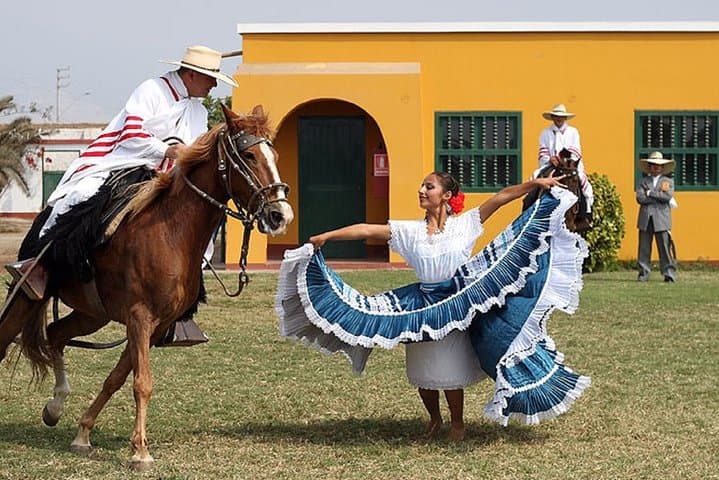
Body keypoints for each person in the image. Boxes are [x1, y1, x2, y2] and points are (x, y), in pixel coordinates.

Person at [277, 171, 590, 440]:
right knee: (423, 372)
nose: (421, 191)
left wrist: (535, 183)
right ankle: (434, 418)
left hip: (456, 302)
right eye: (422, 187)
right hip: (420, 306)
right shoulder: (409, 232)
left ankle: (456, 422)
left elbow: (502, 196)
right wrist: (327, 236)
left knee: (448, 368)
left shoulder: (466, 225)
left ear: (446, 195)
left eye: (429, 187)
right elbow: (366, 228)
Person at [6, 45, 236, 343]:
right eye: (211, 78)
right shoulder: (152, 90)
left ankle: (179, 307)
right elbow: (131, 133)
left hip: (165, 178)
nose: (214, 84)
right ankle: (39, 266)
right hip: (124, 162)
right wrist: (167, 150)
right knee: (83, 199)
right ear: (192, 74)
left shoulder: (199, 111)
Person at [536, 103, 594, 220]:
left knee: (584, 184)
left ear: (565, 118)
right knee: (535, 180)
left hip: (570, 165)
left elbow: (575, 150)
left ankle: (586, 214)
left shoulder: (573, 132)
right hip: (551, 165)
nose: (559, 119)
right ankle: (531, 208)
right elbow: (543, 151)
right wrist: (550, 159)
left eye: (561, 116)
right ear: (552, 117)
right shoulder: (545, 133)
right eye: (556, 116)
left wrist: (564, 159)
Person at [636, 151, 677, 282]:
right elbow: (640, 198)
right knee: (644, 248)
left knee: (665, 247)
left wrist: (650, 193)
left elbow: (667, 197)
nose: (656, 167)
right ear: (649, 167)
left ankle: (669, 274)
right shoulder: (643, 181)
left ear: (662, 168)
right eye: (653, 165)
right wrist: (656, 196)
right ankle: (643, 273)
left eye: (658, 165)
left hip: (662, 219)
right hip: (646, 218)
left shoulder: (667, 181)